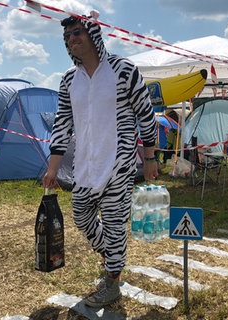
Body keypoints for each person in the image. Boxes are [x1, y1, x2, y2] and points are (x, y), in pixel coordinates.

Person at [42, 11, 158, 308]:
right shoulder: (69, 80)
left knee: (115, 222)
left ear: (93, 34)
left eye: (77, 33)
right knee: (81, 214)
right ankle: (112, 259)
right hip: (85, 164)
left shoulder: (123, 70)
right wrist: (53, 166)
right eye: (67, 36)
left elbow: (146, 114)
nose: (72, 39)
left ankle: (113, 280)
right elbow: (62, 123)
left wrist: (149, 157)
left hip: (117, 163)